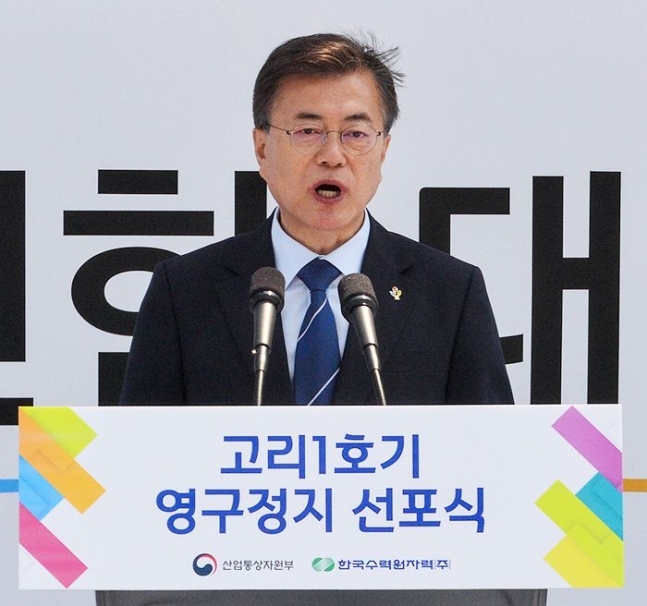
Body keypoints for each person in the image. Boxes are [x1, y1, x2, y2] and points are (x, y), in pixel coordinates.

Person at [97, 33, 546, 606]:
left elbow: (496, 477)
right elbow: (137, 474)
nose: (333, 154)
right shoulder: (184, 289)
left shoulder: (448, 290)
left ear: (383, 150)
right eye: (307, 131)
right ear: (262, 148)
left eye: (356, 133)